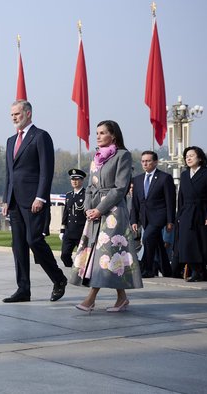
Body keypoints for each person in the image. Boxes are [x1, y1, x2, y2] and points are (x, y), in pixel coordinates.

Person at [70, 120, 143, 313]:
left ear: (114, 136)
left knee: (103, 254)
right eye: (97, 133)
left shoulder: (123, 156)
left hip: (113, 213)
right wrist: (87, 208)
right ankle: (122, 298)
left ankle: (90, 298)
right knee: (105, 254)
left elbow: (120, 188)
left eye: (103, 133)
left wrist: (100, 209)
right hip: (94, 213)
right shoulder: (96, 158)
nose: (98, 136)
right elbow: (90, 187)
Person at [1, 100, 67, 303]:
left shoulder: (40, 137)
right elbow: (9, 173)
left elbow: (46, 171)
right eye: (11, 114)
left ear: (28, 113)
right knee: (18, 245)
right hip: (14, 200)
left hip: (33, 200)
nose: (14, 117)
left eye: (17, 113)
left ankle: (58, 278)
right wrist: (5, 199)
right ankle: (23, 289)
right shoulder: (11, 140)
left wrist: (40, 196)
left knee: (34, 240)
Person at [130, 151, 175, 278]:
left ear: (155, 162)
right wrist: (134, 220)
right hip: (144, 217)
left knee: (147, 238)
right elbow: (135, 202)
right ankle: (167, 270)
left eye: (148, 161)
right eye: (143, 161)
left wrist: (170, 220)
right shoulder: (137, 179)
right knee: (158, 243)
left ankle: (147, 269)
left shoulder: (165, 178)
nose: (145, 163)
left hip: (159, 216)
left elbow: (170, 200)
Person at [175, 146, 207, 282]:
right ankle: (195, 270)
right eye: (186, 156)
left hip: (202, 212)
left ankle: (203, 271)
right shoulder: (184, 175)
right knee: (186, 243)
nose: (188, 158)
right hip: (186, 213)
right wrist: (179, 215)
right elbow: (181, 197)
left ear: (200, 158)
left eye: (191, 155)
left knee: (202, 243)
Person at [59, 169, 87, 267]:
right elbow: (66, 213)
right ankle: (71, 268)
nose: (74, 181)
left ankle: (79, 274)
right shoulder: (68, 195)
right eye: (72, 179)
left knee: (83, 258)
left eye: (77, 179)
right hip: (69, 231)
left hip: (81, 231)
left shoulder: (86, 194)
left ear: (82, 180)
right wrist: (62, 230)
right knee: (64, 255)